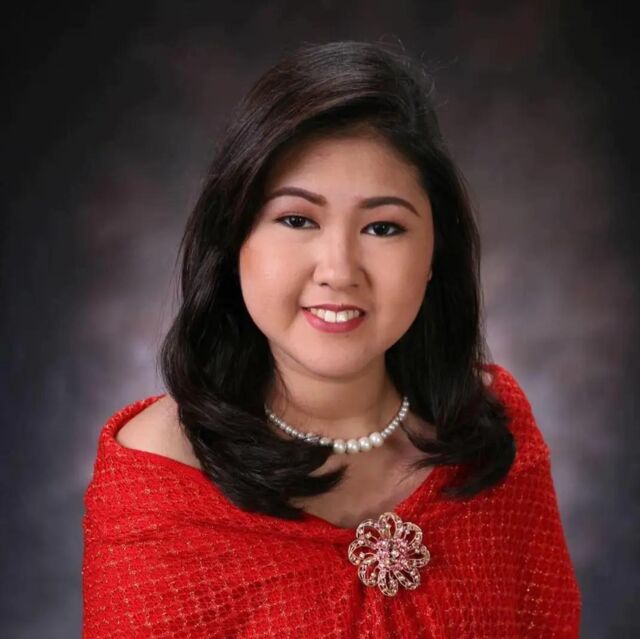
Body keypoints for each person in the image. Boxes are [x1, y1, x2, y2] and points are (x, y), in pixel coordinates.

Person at [82, 40, 582, 638]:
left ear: (434, 255)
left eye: (383, 227)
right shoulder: (158, 475)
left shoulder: (490, 427)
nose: (339, 270)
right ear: (234, 239)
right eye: (297, 220)